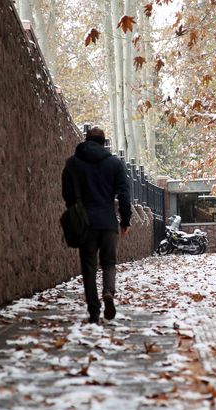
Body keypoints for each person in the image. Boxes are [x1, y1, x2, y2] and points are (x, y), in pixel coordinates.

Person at [62, 127, 131, 324]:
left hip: (85, 223)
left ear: (86, 140)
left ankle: (94, 310)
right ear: (104, 143)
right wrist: (125, 220)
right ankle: (108, 292)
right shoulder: (114, 164)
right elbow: (124, 194)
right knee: (109, 262)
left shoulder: (73, 163)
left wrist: (75, 209)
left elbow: (66, 193)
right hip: (108, 222)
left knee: (89, 267)